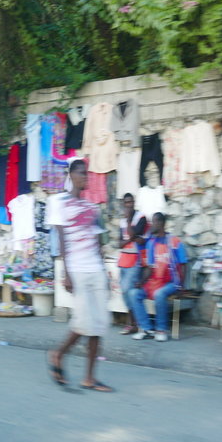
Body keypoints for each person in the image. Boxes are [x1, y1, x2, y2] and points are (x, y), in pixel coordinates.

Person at [46, 159, 113, 392]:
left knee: (99, 325)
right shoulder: (58, 202)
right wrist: (65, 273)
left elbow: (98, 243)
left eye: (87, 174)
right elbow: (61, 237)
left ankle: (89, 377)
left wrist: (105, 273)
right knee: (84, 322)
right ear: (71, 174)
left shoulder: (93, 208)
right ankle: (57, 355)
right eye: (82, 173)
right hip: (76, 268)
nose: (86, 177)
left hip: (95, 269)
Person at [128, 212, 186, 342]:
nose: (151, 225)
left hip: (172, 282)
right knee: (133, 293)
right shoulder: (151, 243)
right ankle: (147, 329)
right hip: (155, 281)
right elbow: (150, 267)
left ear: (161, 223)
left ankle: (161, 329)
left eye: (154, 222)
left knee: (159, 295)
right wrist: (141, 282)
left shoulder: (175, 241)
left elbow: (183, 264)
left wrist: (181, 285)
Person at [117, 193, 148, 335]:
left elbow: (132, 234)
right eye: (126, 203)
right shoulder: (122, 221)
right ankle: (133, 323)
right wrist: (132, 239)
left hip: (135, 259)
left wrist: (129, 221)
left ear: (134, 202)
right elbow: (120, 243)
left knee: (129, 291)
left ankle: (134, 323)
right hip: (123, 259)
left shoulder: (140, 218)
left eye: (130, 202)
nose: (128, 205)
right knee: (124, 293)